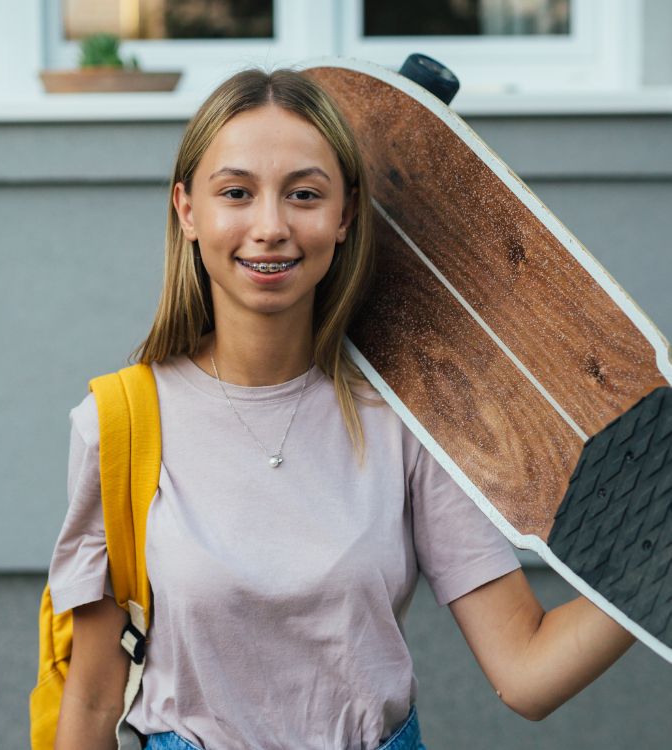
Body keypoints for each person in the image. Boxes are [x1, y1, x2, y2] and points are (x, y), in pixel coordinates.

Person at [48, 68, 635, 750]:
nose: (270, 227)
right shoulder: (120, 424)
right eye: (236, 193)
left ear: (344, 214)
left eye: (303, 194)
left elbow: (528, 670)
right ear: (187, 211)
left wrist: (655, 569)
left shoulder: (407, 422)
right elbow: (91, 703)